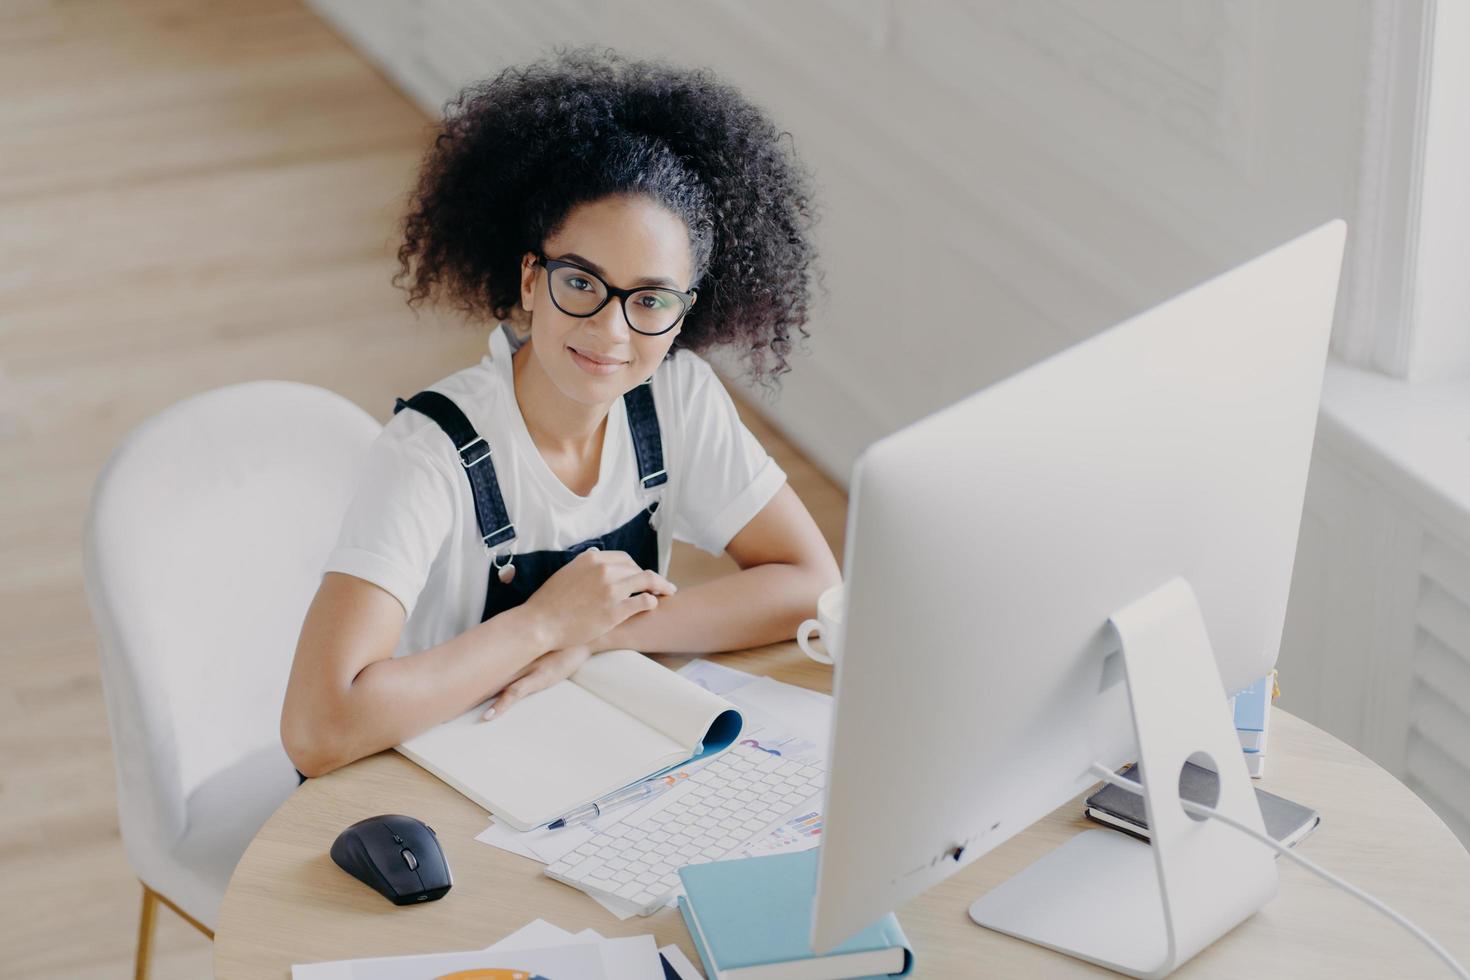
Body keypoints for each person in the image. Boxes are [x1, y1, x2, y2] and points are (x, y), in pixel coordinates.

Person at [281, 47, 840, 778]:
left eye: (650, 300)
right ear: (530, 278)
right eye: (582, 282)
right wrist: (544, 622)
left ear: (683, 315)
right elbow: (319, 728)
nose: (611, 331)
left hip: (587, 761)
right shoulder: (429, 451)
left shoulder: (678, 397)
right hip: (425, 781)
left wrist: (599, 633)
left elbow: (811, 584)